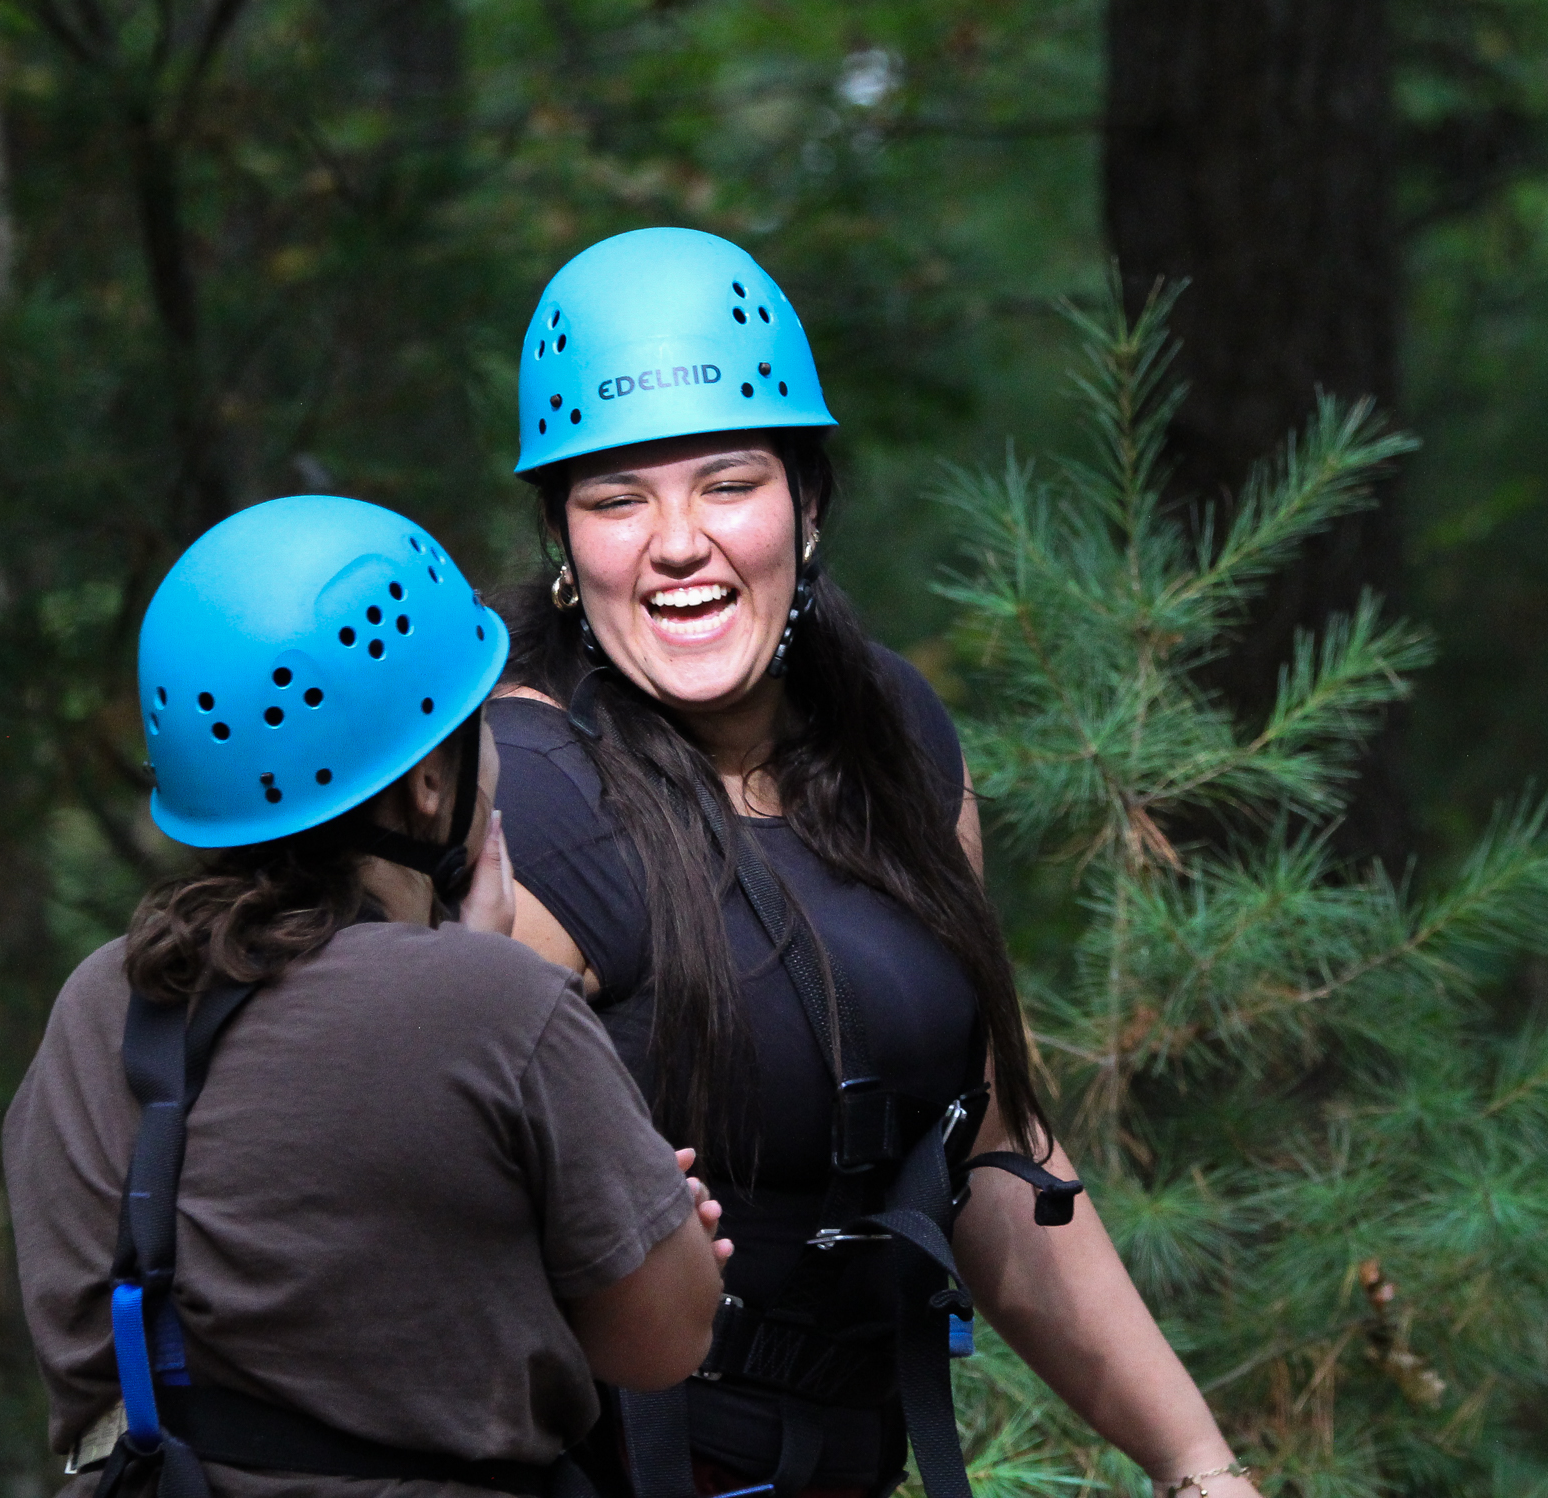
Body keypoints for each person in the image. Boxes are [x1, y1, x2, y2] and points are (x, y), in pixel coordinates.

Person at [490, 228, 1264, 1498]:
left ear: (807, 501)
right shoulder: (521, 809)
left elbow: (996, 1154)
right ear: (567, 548)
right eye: (617, 499)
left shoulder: (894, 744)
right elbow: (419, 1240)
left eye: (727, 483)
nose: (676, 542)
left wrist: (1198, 1468)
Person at [5, 493, 728, 1497]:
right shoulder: (500, 1008)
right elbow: (665, 1336)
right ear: (431, 780)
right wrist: (664, 1225)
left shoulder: (98, 1004)